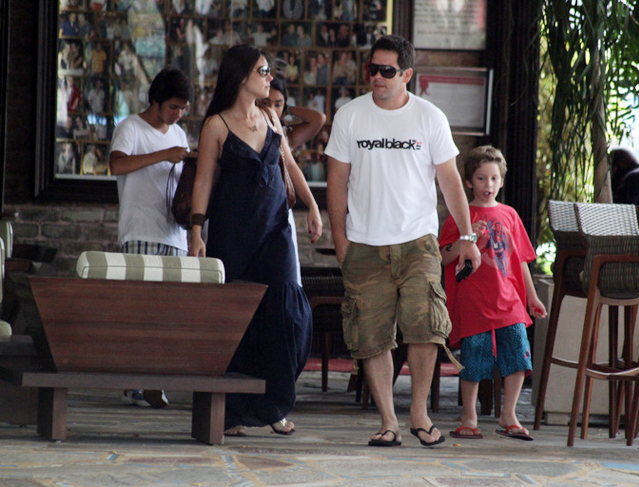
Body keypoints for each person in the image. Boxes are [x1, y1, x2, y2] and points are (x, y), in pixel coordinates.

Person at [324, 35, 481, 448]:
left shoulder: (429, 117)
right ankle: (388, 420)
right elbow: (336, 183)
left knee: (426, 326)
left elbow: (449, 181)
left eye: (387, 71)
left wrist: (467, 236)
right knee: (371, 335)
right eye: (372, 69)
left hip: (418, 242)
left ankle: (418, 414)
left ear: (407, 75)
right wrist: (341, 241)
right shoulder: (350, 116)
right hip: (364, 243)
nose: (377, 77)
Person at [189, 45, 323, 437]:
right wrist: (197, 229)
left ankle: (274, 403)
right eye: (263, 70)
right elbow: (203, 180)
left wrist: (313, 207)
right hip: (232, 231)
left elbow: (291, 164)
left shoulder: (269, 115)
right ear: (241, 75)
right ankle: (232, 411)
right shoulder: (216, 123)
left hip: (275, 229)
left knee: (285, 312)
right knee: (236, 318)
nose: (269, 77)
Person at [438, 145, 547, 441]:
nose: (489, 185)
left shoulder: (510, 215)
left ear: (502, 181)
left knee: (518, 354)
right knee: (473, 358)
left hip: (510, 301)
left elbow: (520, 260)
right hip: (474, 302)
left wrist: (532, 297)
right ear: (469, 181)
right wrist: (467, 234)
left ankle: (508, 414)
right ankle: (469, 417)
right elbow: (444, 257)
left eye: (494, 178)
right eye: (482, 178)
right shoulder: (460, 215)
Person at [109, 67, 194, 409]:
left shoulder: (181, 134)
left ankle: (154, 380)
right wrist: (164, 154)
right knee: (138, 312)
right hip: (140, 230)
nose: (177, 115)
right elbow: (116, 165)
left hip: (174, 234)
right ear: (156, 100)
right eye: (173, 107)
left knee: (171, 314)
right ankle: (136, 381)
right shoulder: (130, 127)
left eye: (183, 109)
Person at [263, 77, 327, 284]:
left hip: (281, 208)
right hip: (256, 209)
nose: (272, 108)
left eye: (278, 103)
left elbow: (319, 119)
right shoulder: (247, 128)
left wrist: (286, 108)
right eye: (267, 102)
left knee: (285, 277)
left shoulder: (287, 135)